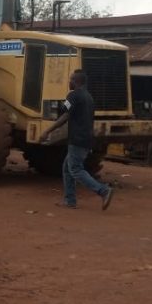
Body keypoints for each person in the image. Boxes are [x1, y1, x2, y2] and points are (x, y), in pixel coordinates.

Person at [40, 70, 114, 210]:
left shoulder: (73, 95)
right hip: (86, 139)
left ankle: (103, 191)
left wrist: (47, 131)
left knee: (75, 169)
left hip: (77, 139)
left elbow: (65, 115)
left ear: (75, 81)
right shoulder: (89, 97)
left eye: (71, 79)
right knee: (67, 169)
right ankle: (70, 201)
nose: (69, 82)